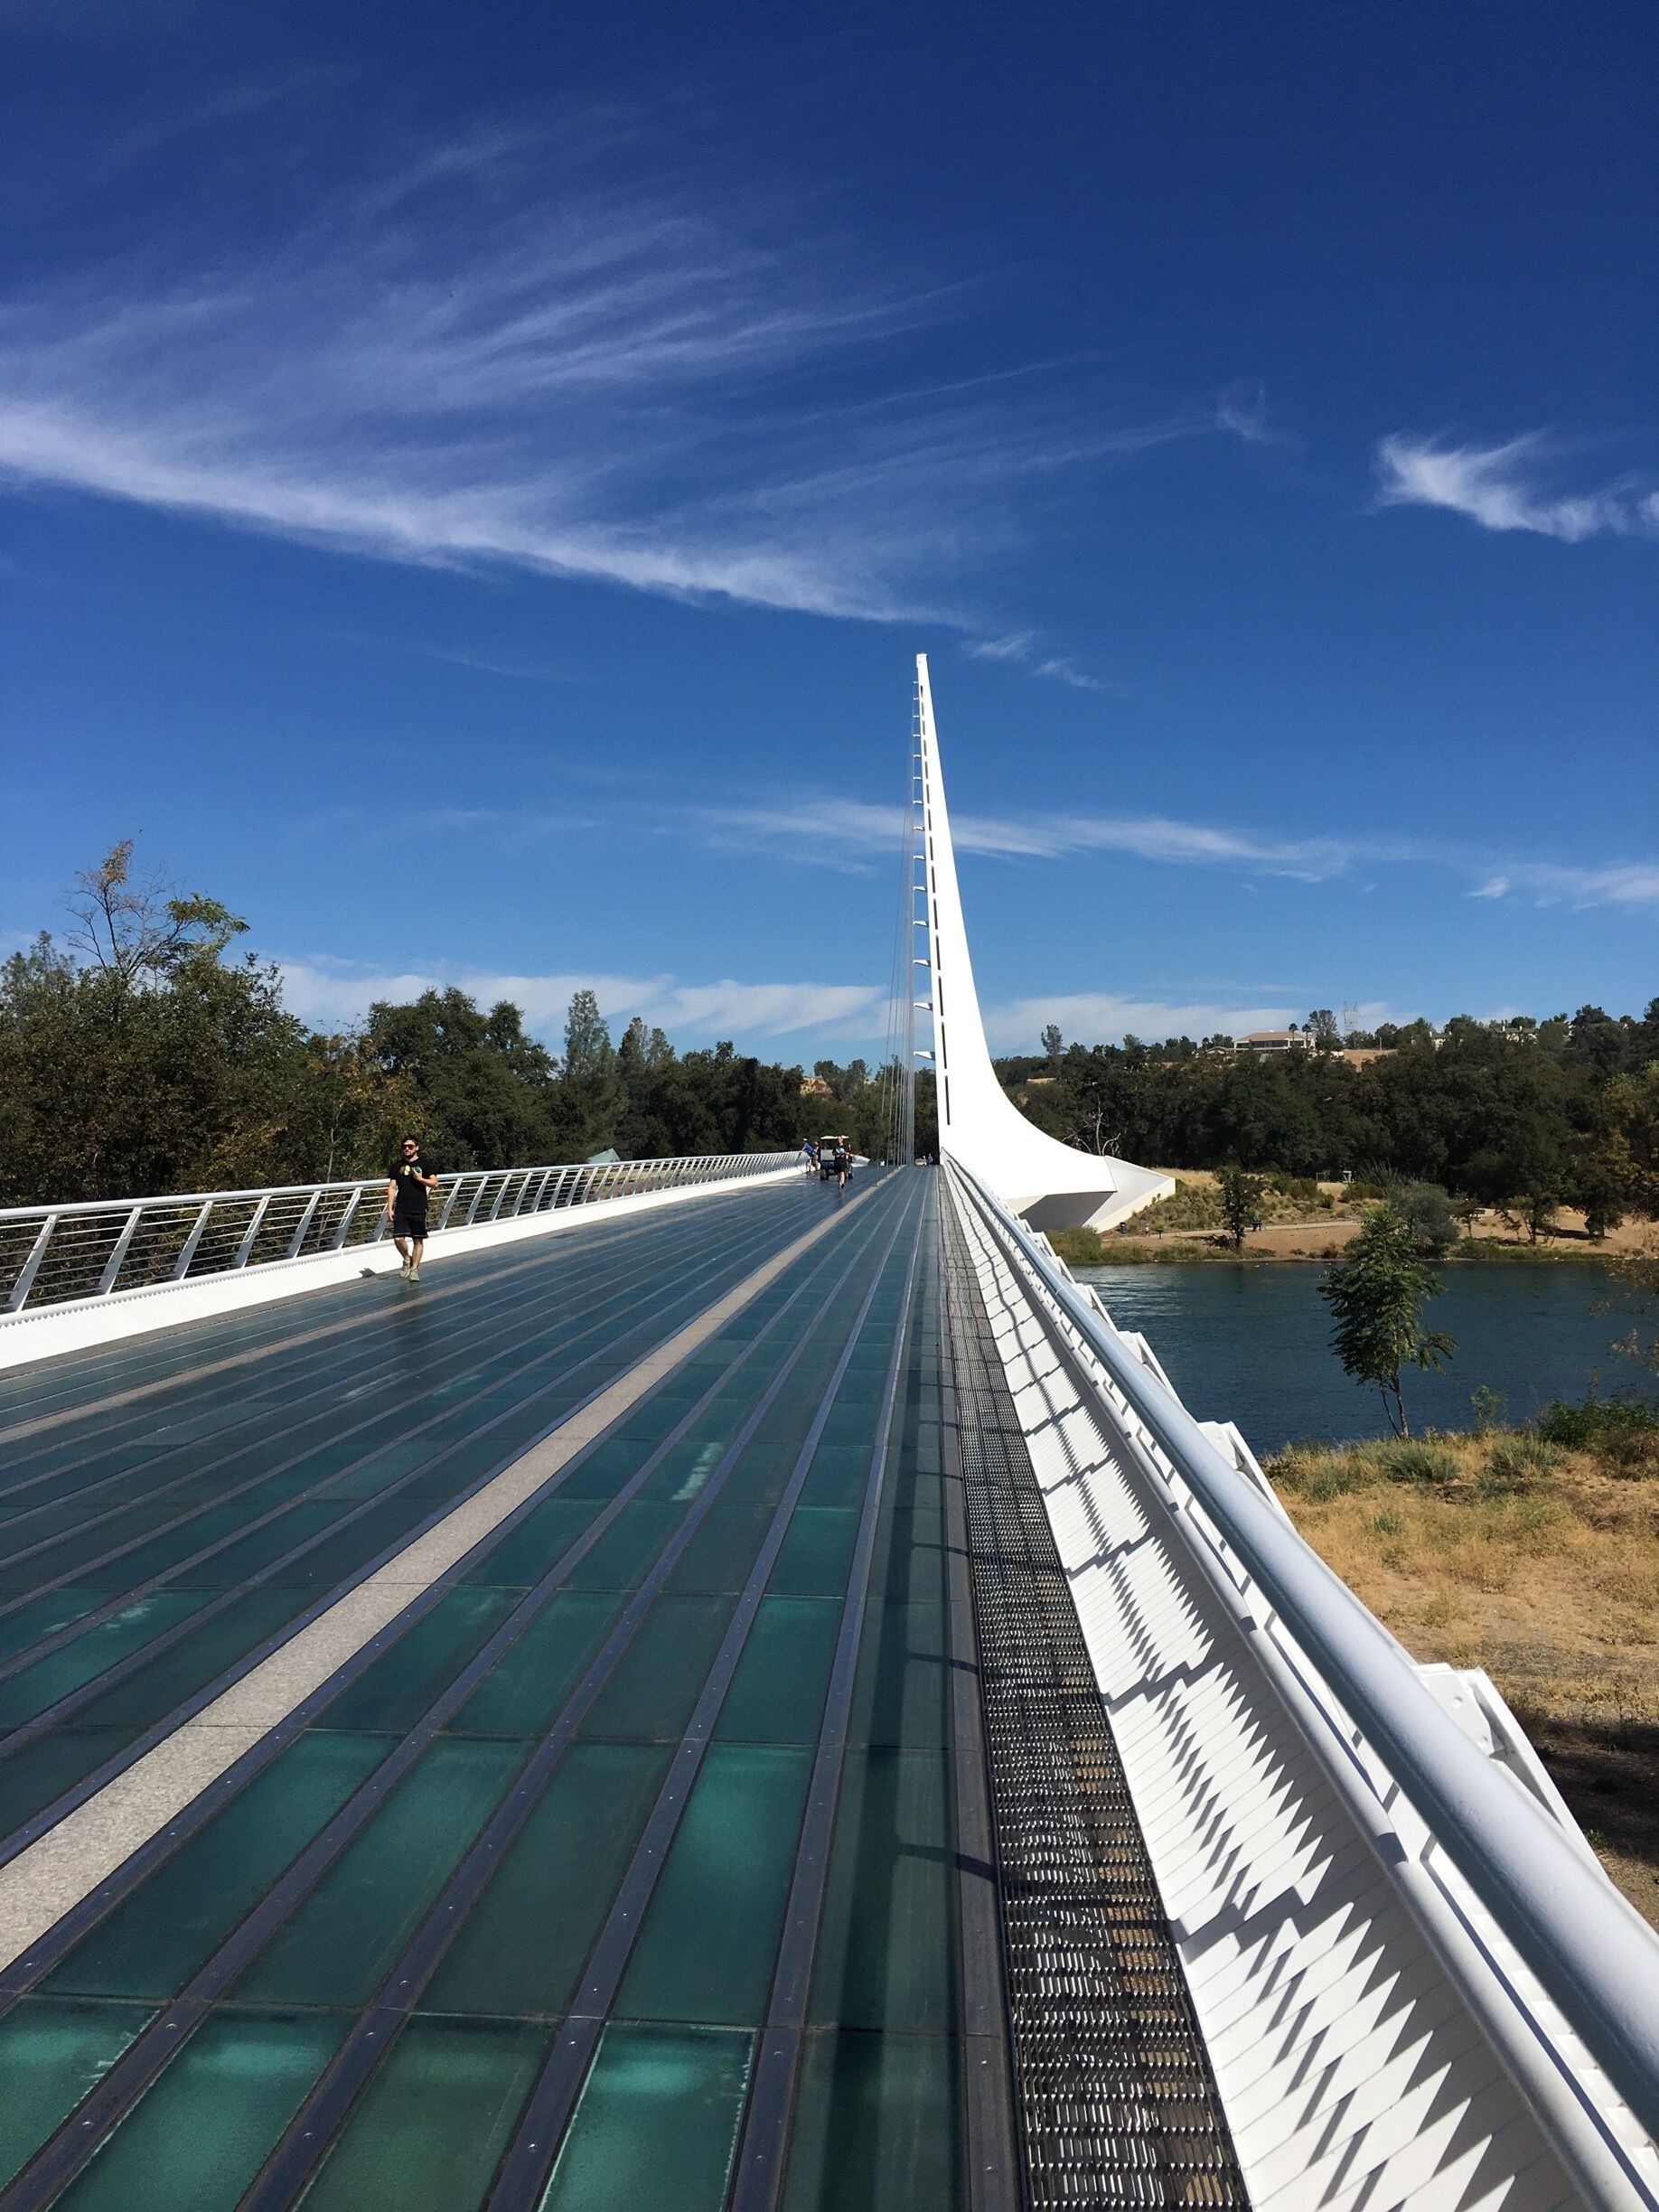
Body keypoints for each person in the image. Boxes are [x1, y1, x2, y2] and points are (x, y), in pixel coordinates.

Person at [386, 1136, 438, 1280]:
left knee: (418, 1240)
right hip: (401, 1207)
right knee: (398, 1238)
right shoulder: (397, 1166)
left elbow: (435, 1183)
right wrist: (389, 1208)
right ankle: (407, 1259)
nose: (407, 1149)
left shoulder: (425, 1164)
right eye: (404, 1146)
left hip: (419, 1206)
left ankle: (414, 1270)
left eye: (410, 1146)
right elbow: (392, 1187)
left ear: (416, 1147)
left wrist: (421, 1179)